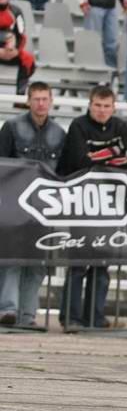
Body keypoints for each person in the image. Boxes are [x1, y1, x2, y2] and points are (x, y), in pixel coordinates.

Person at [57, 85, 127, 329]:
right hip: (81, 202)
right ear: (90, 105)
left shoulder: (121, 126)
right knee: (78, 264)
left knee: (102, 265)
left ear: (113, 107)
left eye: (106, 106)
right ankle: (71, 318)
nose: (102, 110)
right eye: (97, 105)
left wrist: (98, 156)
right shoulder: (78, 125)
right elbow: (80, 160)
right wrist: (114, 152)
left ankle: (95, 317)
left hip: (109, 205)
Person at [0, 82, 65, 327]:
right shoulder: (11, 126)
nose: (40, 103)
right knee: (11, 259)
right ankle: (8, 310)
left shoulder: (59, 133)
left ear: (51, 101)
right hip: (14, 205)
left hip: (45, 208)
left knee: (38, 263)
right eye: (36, 99)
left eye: (44, 99)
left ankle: (28, 315)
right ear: (28, 101)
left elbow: (64, 171)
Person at [0, 0, 35, 93]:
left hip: (10, 50)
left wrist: (16, 51)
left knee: (28, 59)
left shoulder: (16, 11)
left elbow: (21, 35)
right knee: (8, 35)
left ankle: (20, 96)